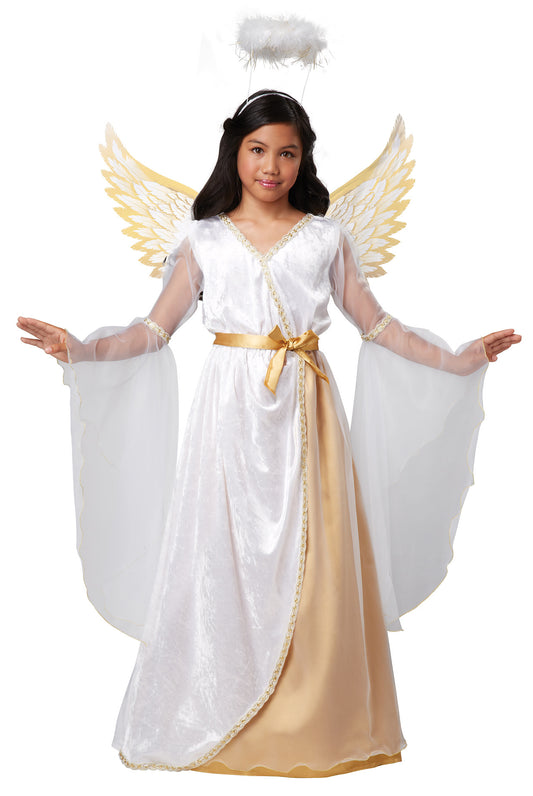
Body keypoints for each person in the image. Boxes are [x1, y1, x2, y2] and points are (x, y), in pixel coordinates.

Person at [17, 89, 521, 777]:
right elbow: (153, 330)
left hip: (306, 411)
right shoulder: (203, 238)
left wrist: (458, 359)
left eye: (287, 153)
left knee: (315, 557)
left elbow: (377, 325)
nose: (271, 166)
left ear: (303, 158)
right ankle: (216, 712)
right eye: (258, 150)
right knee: (222, 550)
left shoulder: (324, 237)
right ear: (235, 151)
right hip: (228, 413)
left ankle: (314, 724)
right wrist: (82, 349)